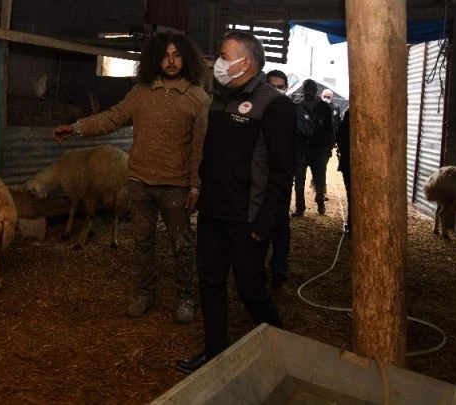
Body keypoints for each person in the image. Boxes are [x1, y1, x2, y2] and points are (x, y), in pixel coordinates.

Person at [53, 32, 210, 324]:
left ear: (187, 59)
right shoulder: (141, 93)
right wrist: (76, 127)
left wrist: (195, 186)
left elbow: (200, 148)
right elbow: (111, 118)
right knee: (142, 242)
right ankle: (145, 294)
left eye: (177, 55)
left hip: (175, 185)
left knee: (182, 244)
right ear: (155, 59)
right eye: (165, 55)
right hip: (139, 182)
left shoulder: (197, 98)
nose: (171, 61)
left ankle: (185, 297)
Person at [176, 32, 295, 375]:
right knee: (210, 283)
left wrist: (266, 222)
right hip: (214, 211)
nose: (218, 62)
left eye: (225, 56)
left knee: (251, 289)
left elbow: (282, 171)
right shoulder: (220, 100)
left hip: (247, 217)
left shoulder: (274, 105)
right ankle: (215, 352)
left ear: (247, 62)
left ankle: (284, 358)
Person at [264, 69, 291, 287]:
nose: (275, 90)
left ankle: (279, 266)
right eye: (271, 86)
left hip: (281, 177)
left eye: (279, 87)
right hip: (258, 177)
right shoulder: (256, 110)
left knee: (281, 222)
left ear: (286, 88)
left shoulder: (291, 111)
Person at [292, 79, 335, 217]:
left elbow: (330, 128)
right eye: (307, 89)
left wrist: (329, 147)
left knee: (318, 179)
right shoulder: (298, 106)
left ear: (316, 91)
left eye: (311, 89)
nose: (309, 92)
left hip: (316, 149)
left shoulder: (323, 107)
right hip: (305, 148)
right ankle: (302, 207)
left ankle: (318, 201)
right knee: (302, 180)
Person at [337, 108, 352, 233]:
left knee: (351, 193)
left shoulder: (347, 117)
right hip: (349, 162)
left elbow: (340, 138)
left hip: (347, 162)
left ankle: (351, 223)